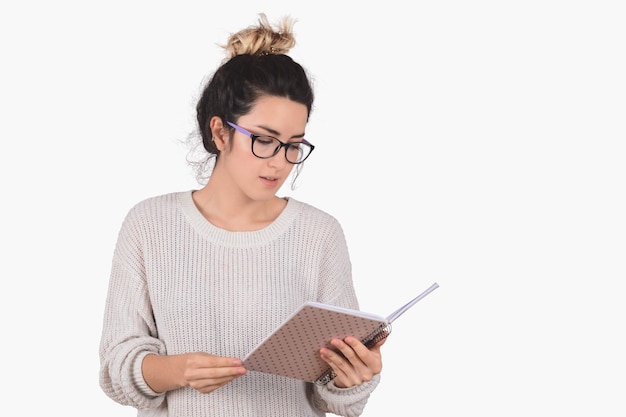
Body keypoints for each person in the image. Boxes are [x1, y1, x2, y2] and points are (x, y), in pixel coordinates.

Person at [99, 13, 384, 417]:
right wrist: (178, 370)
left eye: (293, 146)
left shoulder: (320, 234)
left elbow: (329, 395)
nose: (279, 163)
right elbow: (116, 369)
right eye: (264, 141)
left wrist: (352, 377)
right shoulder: (150, 225)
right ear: (220, 133)